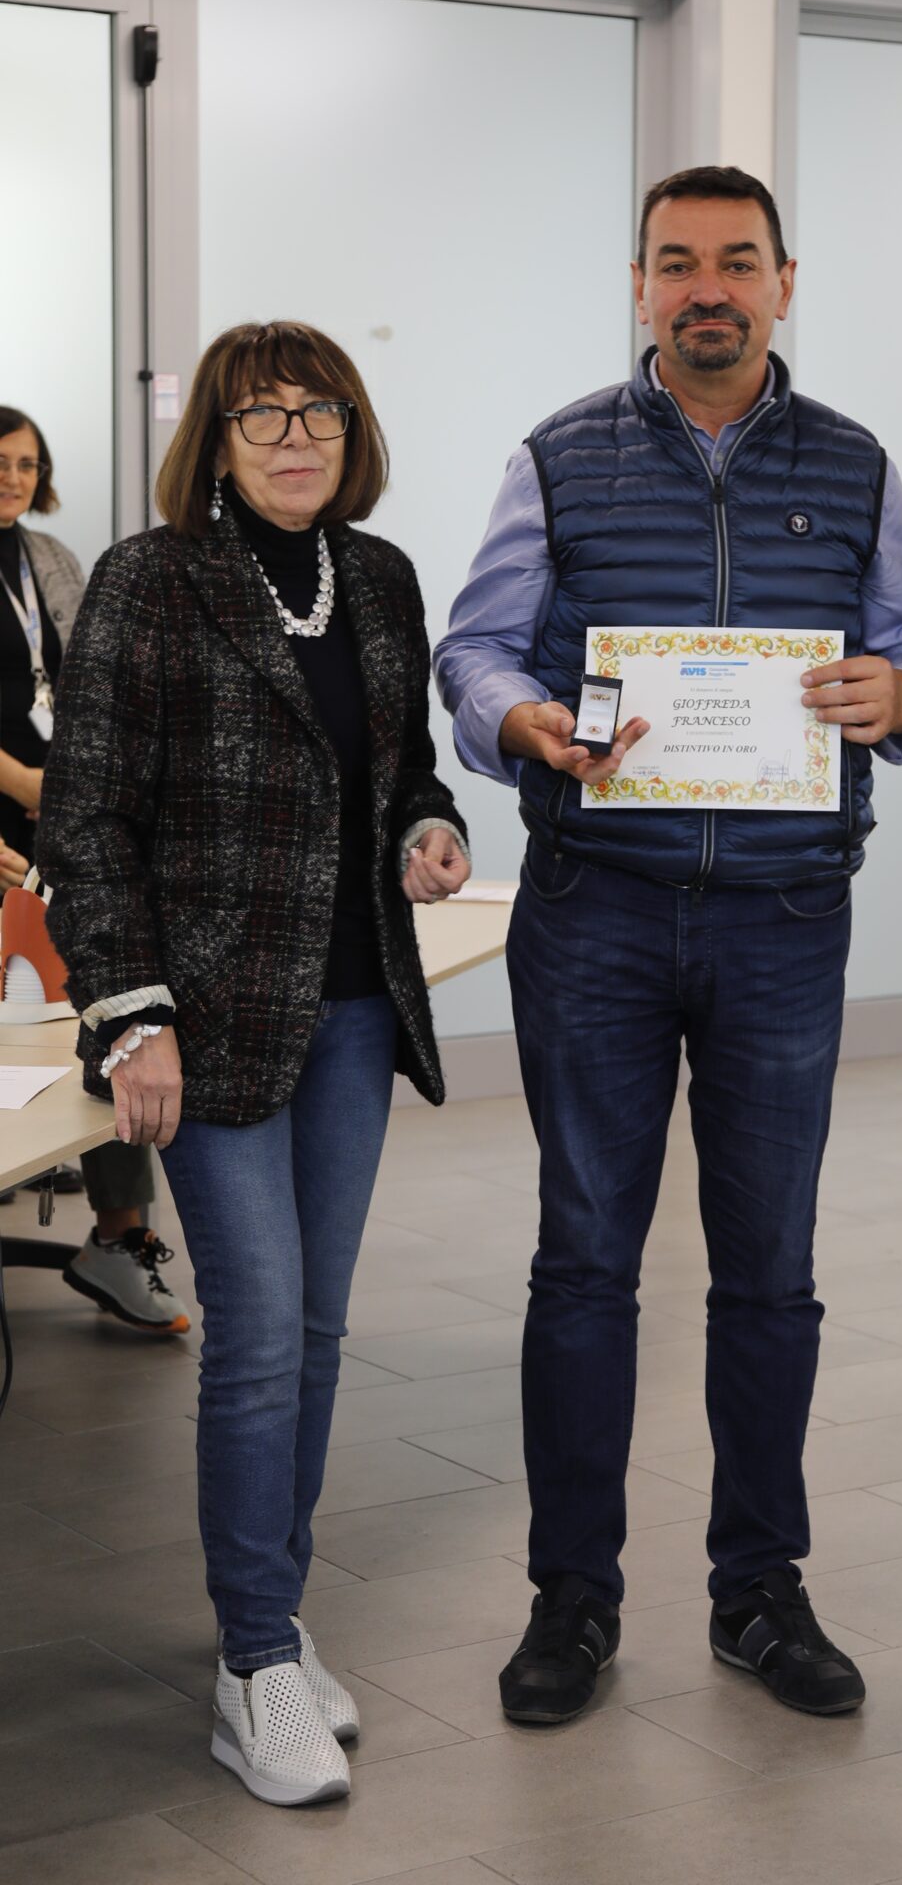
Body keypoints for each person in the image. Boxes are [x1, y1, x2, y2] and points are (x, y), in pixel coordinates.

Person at [436, 165, 902, 1727]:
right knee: (584, 1262)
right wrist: (519, 719)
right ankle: (572, 1600)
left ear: (785, 283)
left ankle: (759, 1592)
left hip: (786, 922)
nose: (708, 288)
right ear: (640, 284)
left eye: (738, 261)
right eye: (678, 263)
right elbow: (477, 645)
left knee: (771, 1273)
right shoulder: (557, 457)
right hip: (593, 912)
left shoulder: (855, 464)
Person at [36, 322, 470, 1808]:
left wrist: (428, 826)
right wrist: (131, 1013)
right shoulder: (150, 581)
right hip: (205, 1020)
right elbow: (87, 819)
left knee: (318, 1334)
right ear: (216, 441)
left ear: (354, 432)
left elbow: (403, 765)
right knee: (262, 1334)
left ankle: (271, 1623)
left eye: (321, 412)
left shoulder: (381, 578)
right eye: (264, 415)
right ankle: (251, 1665)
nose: (297, 438)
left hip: (352, 1009)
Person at [0, 405, 183, 1330]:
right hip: (13, 815)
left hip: (61, 824)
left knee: (102, 1015)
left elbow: (89, 688)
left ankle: (119, 1237)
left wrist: (73, 789)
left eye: (28, 464)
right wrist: (27, 784)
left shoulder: (54, 559)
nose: (13, 478)